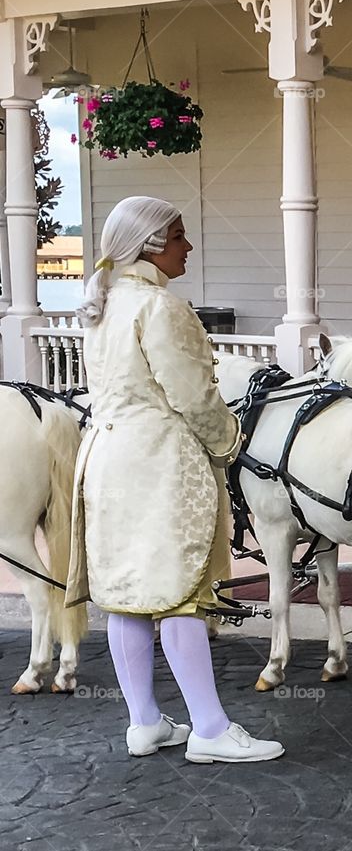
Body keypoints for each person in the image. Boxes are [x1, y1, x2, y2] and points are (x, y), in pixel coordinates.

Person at [65, 196, 283, 764]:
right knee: (181, 591)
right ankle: (209, 728)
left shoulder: (104, 303)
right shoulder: (161, 307)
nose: (189, 246)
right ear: (153, 245)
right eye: (180, 235)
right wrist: (232, 442)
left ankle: (143, 722)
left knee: (128, 596)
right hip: (159, 462)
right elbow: (193, 395)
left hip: (107, 456)